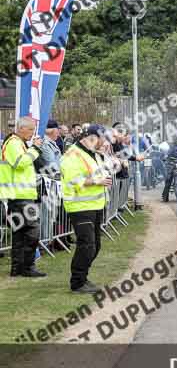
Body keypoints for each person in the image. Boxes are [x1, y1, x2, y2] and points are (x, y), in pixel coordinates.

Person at [60, 125, 114, 292]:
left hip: (94, 205)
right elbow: (72, 180)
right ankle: (77, 282)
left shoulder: (92, 153)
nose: (104, 143)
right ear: (92, 137)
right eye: (102, 139)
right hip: (79, 206)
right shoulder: (72, 154)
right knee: (87, 245)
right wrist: (96, 182)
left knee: (95, 245)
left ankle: (82, 277)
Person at [1, 117, 45, 277]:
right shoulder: (13, 143)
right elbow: (20, 163)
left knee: (19, 234)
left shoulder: (16, 142)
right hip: (20, 196)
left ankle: (18, 268)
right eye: (31, 130)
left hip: (18, 196)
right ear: (21, 129)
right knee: (32, 231)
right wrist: (35, 149)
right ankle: (28, 267)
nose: (33, 133)